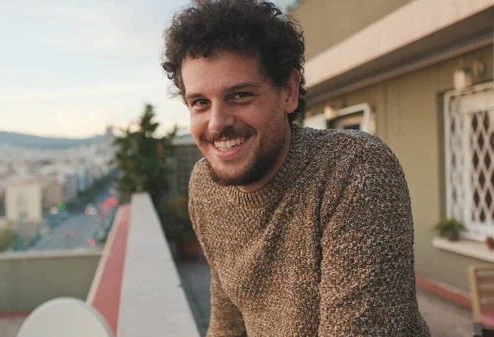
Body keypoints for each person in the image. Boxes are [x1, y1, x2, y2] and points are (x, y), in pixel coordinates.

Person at [162, 0, 431, 336]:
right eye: (200, 102)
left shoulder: (353, 169)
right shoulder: (205, 185)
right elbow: (227, 320)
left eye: (241, 95)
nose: (217, 124)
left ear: (287, 91)